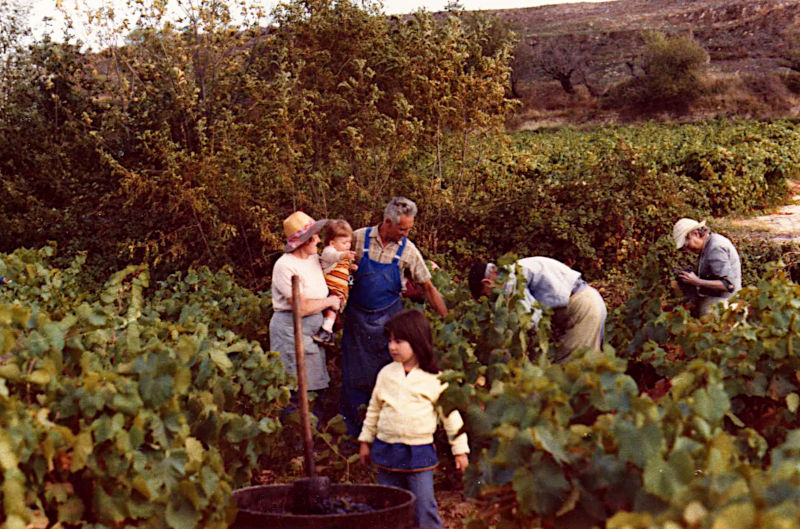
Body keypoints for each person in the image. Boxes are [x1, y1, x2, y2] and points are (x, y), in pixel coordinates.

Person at [341, 196, 448, 436]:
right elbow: (335, 269)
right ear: (387, 221)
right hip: (357, 323)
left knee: (388, 379)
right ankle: (353, 436)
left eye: (409, 229)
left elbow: (428, 288)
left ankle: (384, 433)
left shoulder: (408, 251)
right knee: (353, 378)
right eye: (402, 229)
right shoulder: (358, 239)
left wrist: (447, 319)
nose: (406, 234)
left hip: (390, 326)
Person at [358, 309, 468, 529]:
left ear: (417, 341)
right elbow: (374, 410)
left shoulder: (434, 379)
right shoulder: (386, 374)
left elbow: (450, 416)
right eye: (389, 341)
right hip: (386, 449)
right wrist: (365, 441)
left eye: (398, 341)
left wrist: (460, 450)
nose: (392, 347)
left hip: (418, 452)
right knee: (389, 504)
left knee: (423, 505)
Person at [467, 257, 606, 362]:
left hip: (583, 308)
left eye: (487, 294)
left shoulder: (510, 281)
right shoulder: (515, 269)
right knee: (585, 366)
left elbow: (532, 320)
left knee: (572, 370)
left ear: (487, 283)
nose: (492, 298)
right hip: (588, 301)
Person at [269, 211, 342, 402]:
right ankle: (295, 429)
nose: (318, 240)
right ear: (304, 241)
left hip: (312, 332)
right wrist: (330, 302)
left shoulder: (313, 260)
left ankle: (311, 427)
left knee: (314, 387)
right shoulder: (285, 266)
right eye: (314, 236)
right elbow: (301, 308)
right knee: (296, 389)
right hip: (291, 332)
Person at [672, 218, 741, 317]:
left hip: (723, 306)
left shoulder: (715, 247)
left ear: (695, 234)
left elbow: (728, 285)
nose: (687, 250)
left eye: (687, 245)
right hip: (715, 303)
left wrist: (696, 281)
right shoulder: (708, 245)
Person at [313, 219, 357, 346]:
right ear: (332, 243)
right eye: (344, 242)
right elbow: (333, 257)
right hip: (329, 288)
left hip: (340, 291)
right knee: (331, 309)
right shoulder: (329, 252)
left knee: (334, 311)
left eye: (349, 242)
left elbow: (344, 268)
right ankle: (326, 330)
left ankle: (328, 330)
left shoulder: (343, 257)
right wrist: (343, 256)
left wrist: (351, 267)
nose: (348, 245)